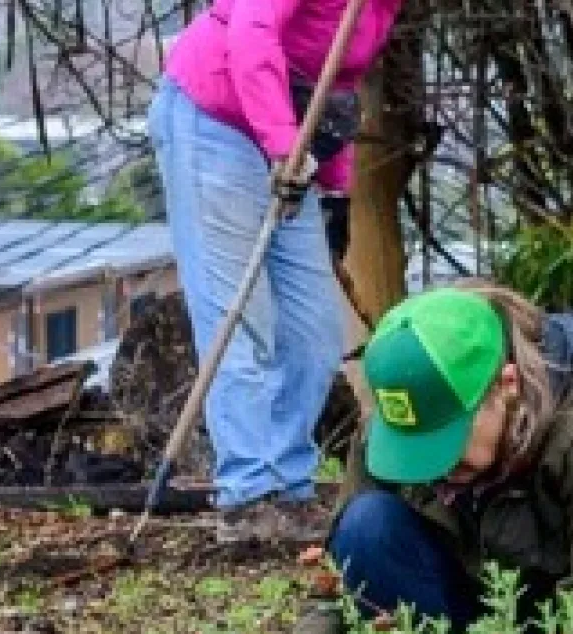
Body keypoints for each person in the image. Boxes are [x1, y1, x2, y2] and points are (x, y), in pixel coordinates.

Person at [292, 280, 573, 632]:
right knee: (368, 526)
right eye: (417, 448)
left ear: (507, 386)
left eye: (448, 442)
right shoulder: (394, 430)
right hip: (487, 601)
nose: (435, 468)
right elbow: (336, 585)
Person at [145, 0, 408, 544]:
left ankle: (291, 487)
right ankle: (247, 497)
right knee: (241, 322)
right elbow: (251, 33)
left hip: (288, 138)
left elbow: (336, 83)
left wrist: (336, 187)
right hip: (215, 122)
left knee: (314, 333)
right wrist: (284, 148)